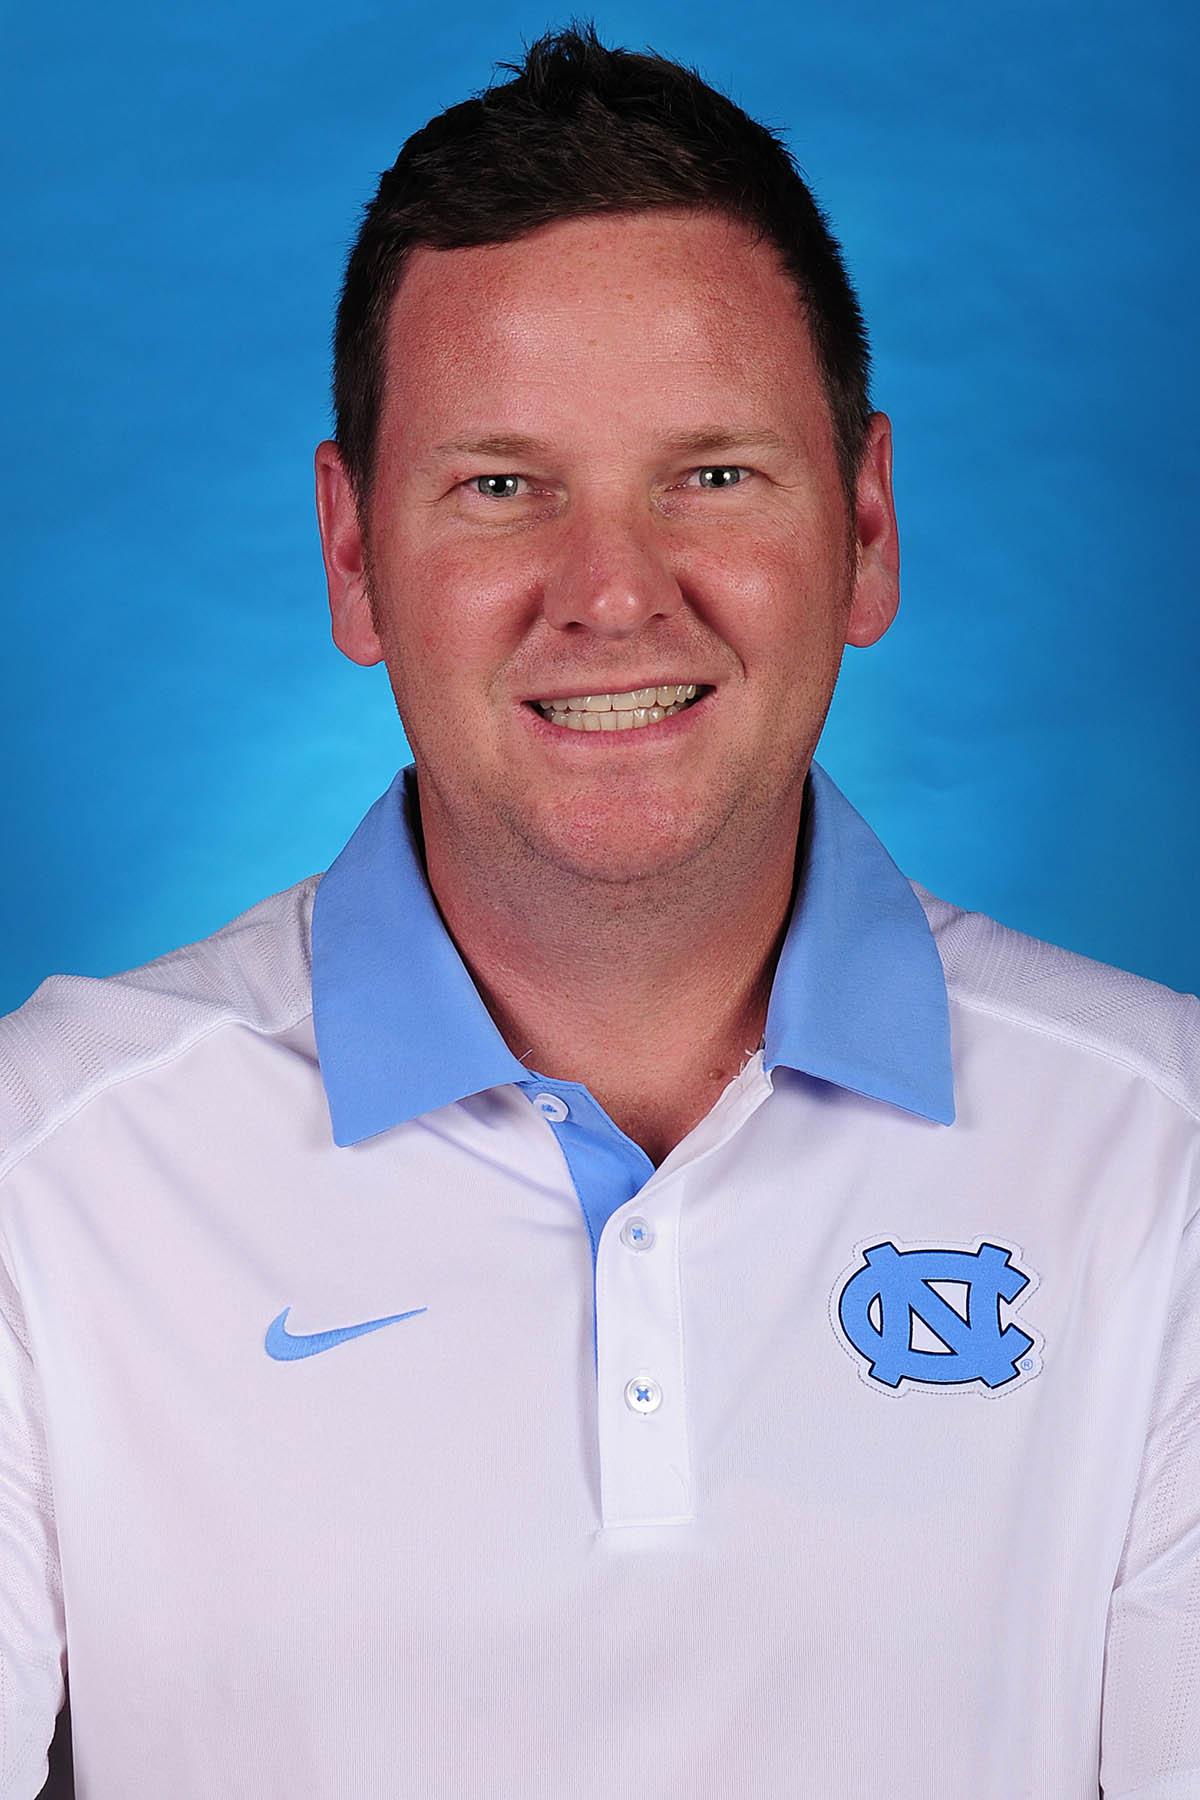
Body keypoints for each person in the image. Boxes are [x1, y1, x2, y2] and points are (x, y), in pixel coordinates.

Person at [2, 20, 1196, 1799]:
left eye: (712, 474)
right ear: (353, 557)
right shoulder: (49, 1173)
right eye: (502, 486)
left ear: (866, 527)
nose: (614, 595)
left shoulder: (1162, 1157)